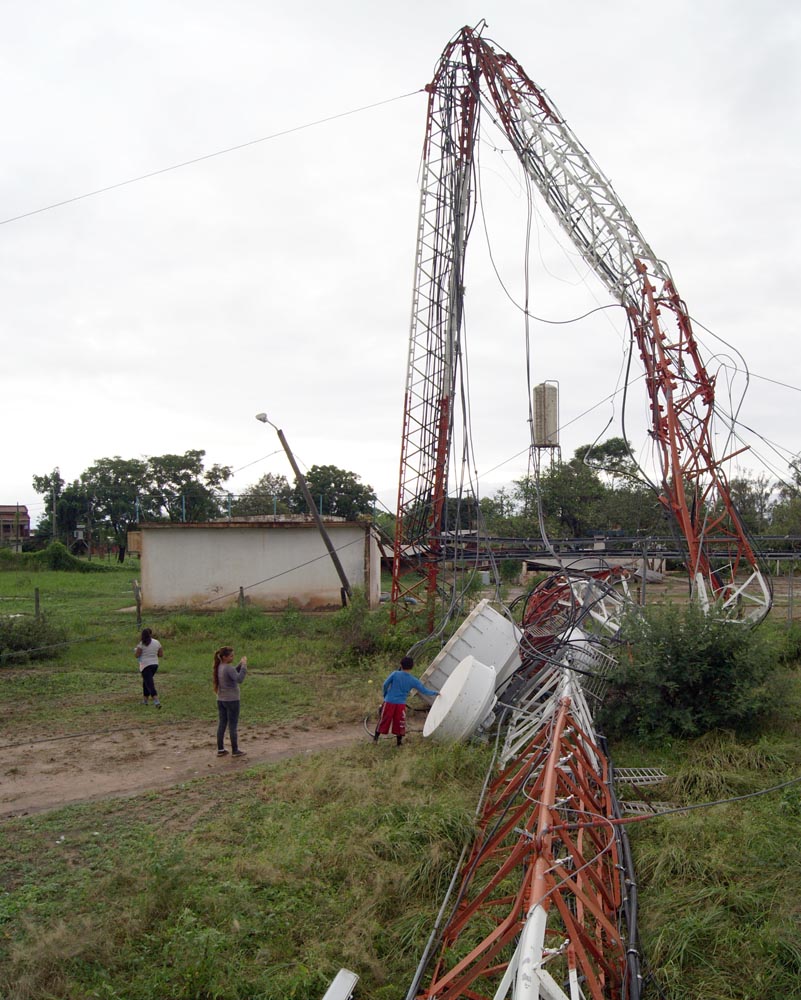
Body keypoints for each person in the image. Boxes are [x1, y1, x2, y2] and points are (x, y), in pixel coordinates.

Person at [374, 655, 438, 746]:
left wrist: (385, 695)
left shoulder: (395, 674)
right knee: (399, 722)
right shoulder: (413, 680)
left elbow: (385, 685)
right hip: (401, 705)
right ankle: (399, 744)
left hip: (389, 702)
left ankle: (375, 740)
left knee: (384, 720)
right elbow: (424, 690)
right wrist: (436, 693)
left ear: (401, 665)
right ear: (412, 666)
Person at [213, 645, 248, 757]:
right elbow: (239, 679)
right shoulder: (228, 668)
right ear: (225, 657)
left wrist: (240, 664)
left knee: (222, 723)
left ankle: (220, 749)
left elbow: (233, 672)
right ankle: (235, 750)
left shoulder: (220, 666)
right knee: (232, 725)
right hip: (232, 699)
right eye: (231, 656)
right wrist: (244, 666)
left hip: (221, 699)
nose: (233, 657)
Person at [135, 628, 163, 707]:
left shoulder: (142, 644)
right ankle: (145, 700)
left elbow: (137, 655)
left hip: (145, 665)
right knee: (146, 682)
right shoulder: (157, 642)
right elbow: (160, 654)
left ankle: (156, 701)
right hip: (155, 664)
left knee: (149, 684)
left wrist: (136, 651)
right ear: (151, 634)